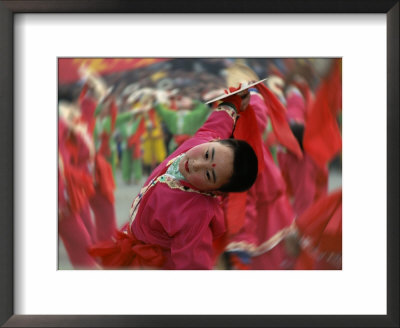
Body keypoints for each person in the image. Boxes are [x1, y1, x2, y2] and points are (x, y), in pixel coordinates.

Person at [89, 83, 259, 270]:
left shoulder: (195, 215)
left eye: (209, 174)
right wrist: (233, 102)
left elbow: (193, 265)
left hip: (153, 264)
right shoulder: (205, 139)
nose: (196, 164)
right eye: (207, 155)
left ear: (215, 190)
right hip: (132, 237)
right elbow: (219, 123)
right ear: (214, 141)